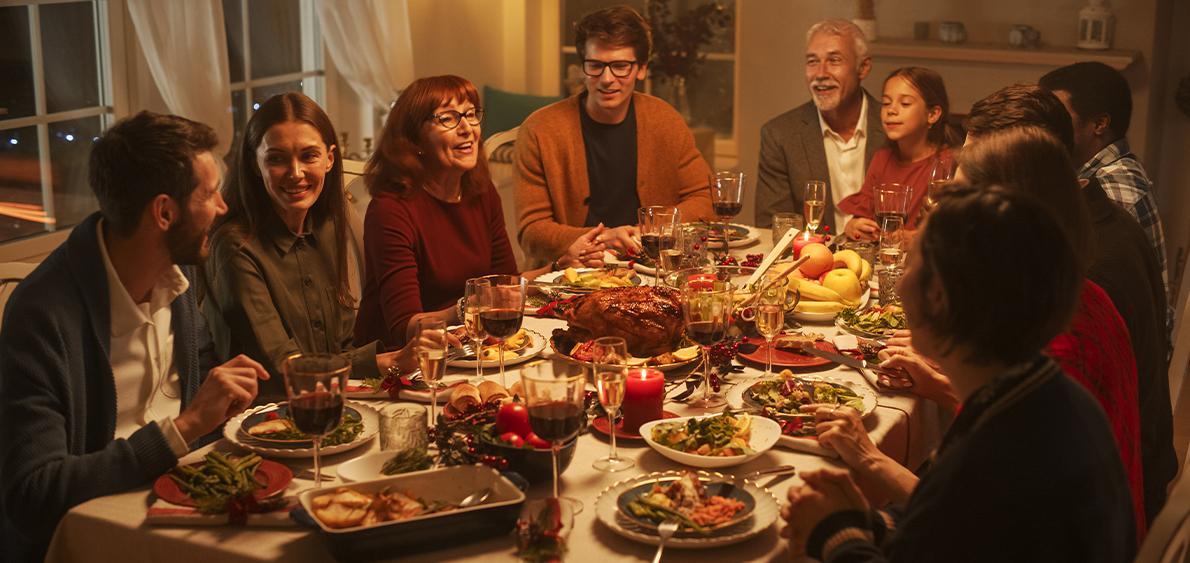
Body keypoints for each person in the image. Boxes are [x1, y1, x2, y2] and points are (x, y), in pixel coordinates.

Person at [782, 185, 1136, 562]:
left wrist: (836, 533)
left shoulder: (995, 455)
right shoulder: (1038, 394)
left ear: (938, 296)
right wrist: (869, 523)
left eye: (909, 266)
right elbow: (950, 527)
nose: (899, 284)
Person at [0, 112, 269, 560]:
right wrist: (183, 429)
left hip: (179, 519)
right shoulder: (42, 315)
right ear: (164, 212)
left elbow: (200, 423)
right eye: (209, 193)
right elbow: (33, 495)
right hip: (92, 542)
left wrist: (225, 413)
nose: (223, 207)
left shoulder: (178, 279)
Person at [964, 84, 1173, 523]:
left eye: (971, 179)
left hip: (1110, 509)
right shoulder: (1085, 226)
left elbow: (1012, 506)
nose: (958, 200)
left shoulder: (1082, 277)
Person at [202, 93, 423, 402]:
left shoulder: (329, 227)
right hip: (266, 420)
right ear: (255, 163)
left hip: (333, 403)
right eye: (276, 159)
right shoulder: (235, 246)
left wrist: (402, 355)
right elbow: (284, 367)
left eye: (308, 156)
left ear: (330, 158)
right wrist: (388, 361)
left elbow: (341, 346)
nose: (295, 172)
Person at [355, 75, 598, 350]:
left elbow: (504, 283)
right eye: (448, 118)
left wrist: (558, 266)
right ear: (415, 140)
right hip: (403, 363)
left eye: (470, 114)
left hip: (468, 346)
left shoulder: (480, 193)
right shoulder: (391, 210)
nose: (467, 128)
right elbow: (405, 327)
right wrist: (468, 307)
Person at [514, 5, 714, 266]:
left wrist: (650, 230)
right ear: (583, 68)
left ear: (641, 69)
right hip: (571, 276)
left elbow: (705, 198)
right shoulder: (540, 129)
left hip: (650, 269)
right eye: (595, 65)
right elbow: (531, 232)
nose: (607, 79)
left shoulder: (665, 120)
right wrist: (604, 238)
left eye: (620, 66)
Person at [1040, 62, 1169, 302]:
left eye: (1058, 117)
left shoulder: (1111, 188)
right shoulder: (1089, 175)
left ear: (1099, 124)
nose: (1045, 128)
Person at [755, 18, 888, 231]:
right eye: (812, 61)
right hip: (812, 260)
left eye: (834, 61)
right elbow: (773, 226)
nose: (820, 74)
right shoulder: (780, 134)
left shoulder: (895, 128)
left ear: (863, 68)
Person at [837, 67, 960, 238]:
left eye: (905, 103)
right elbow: (863, 216)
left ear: (932, 114)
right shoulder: (882, 158)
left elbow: (952, 232)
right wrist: (854, 225)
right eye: (886, 103)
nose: (891, 110)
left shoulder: (948, 163)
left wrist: (916, 238)